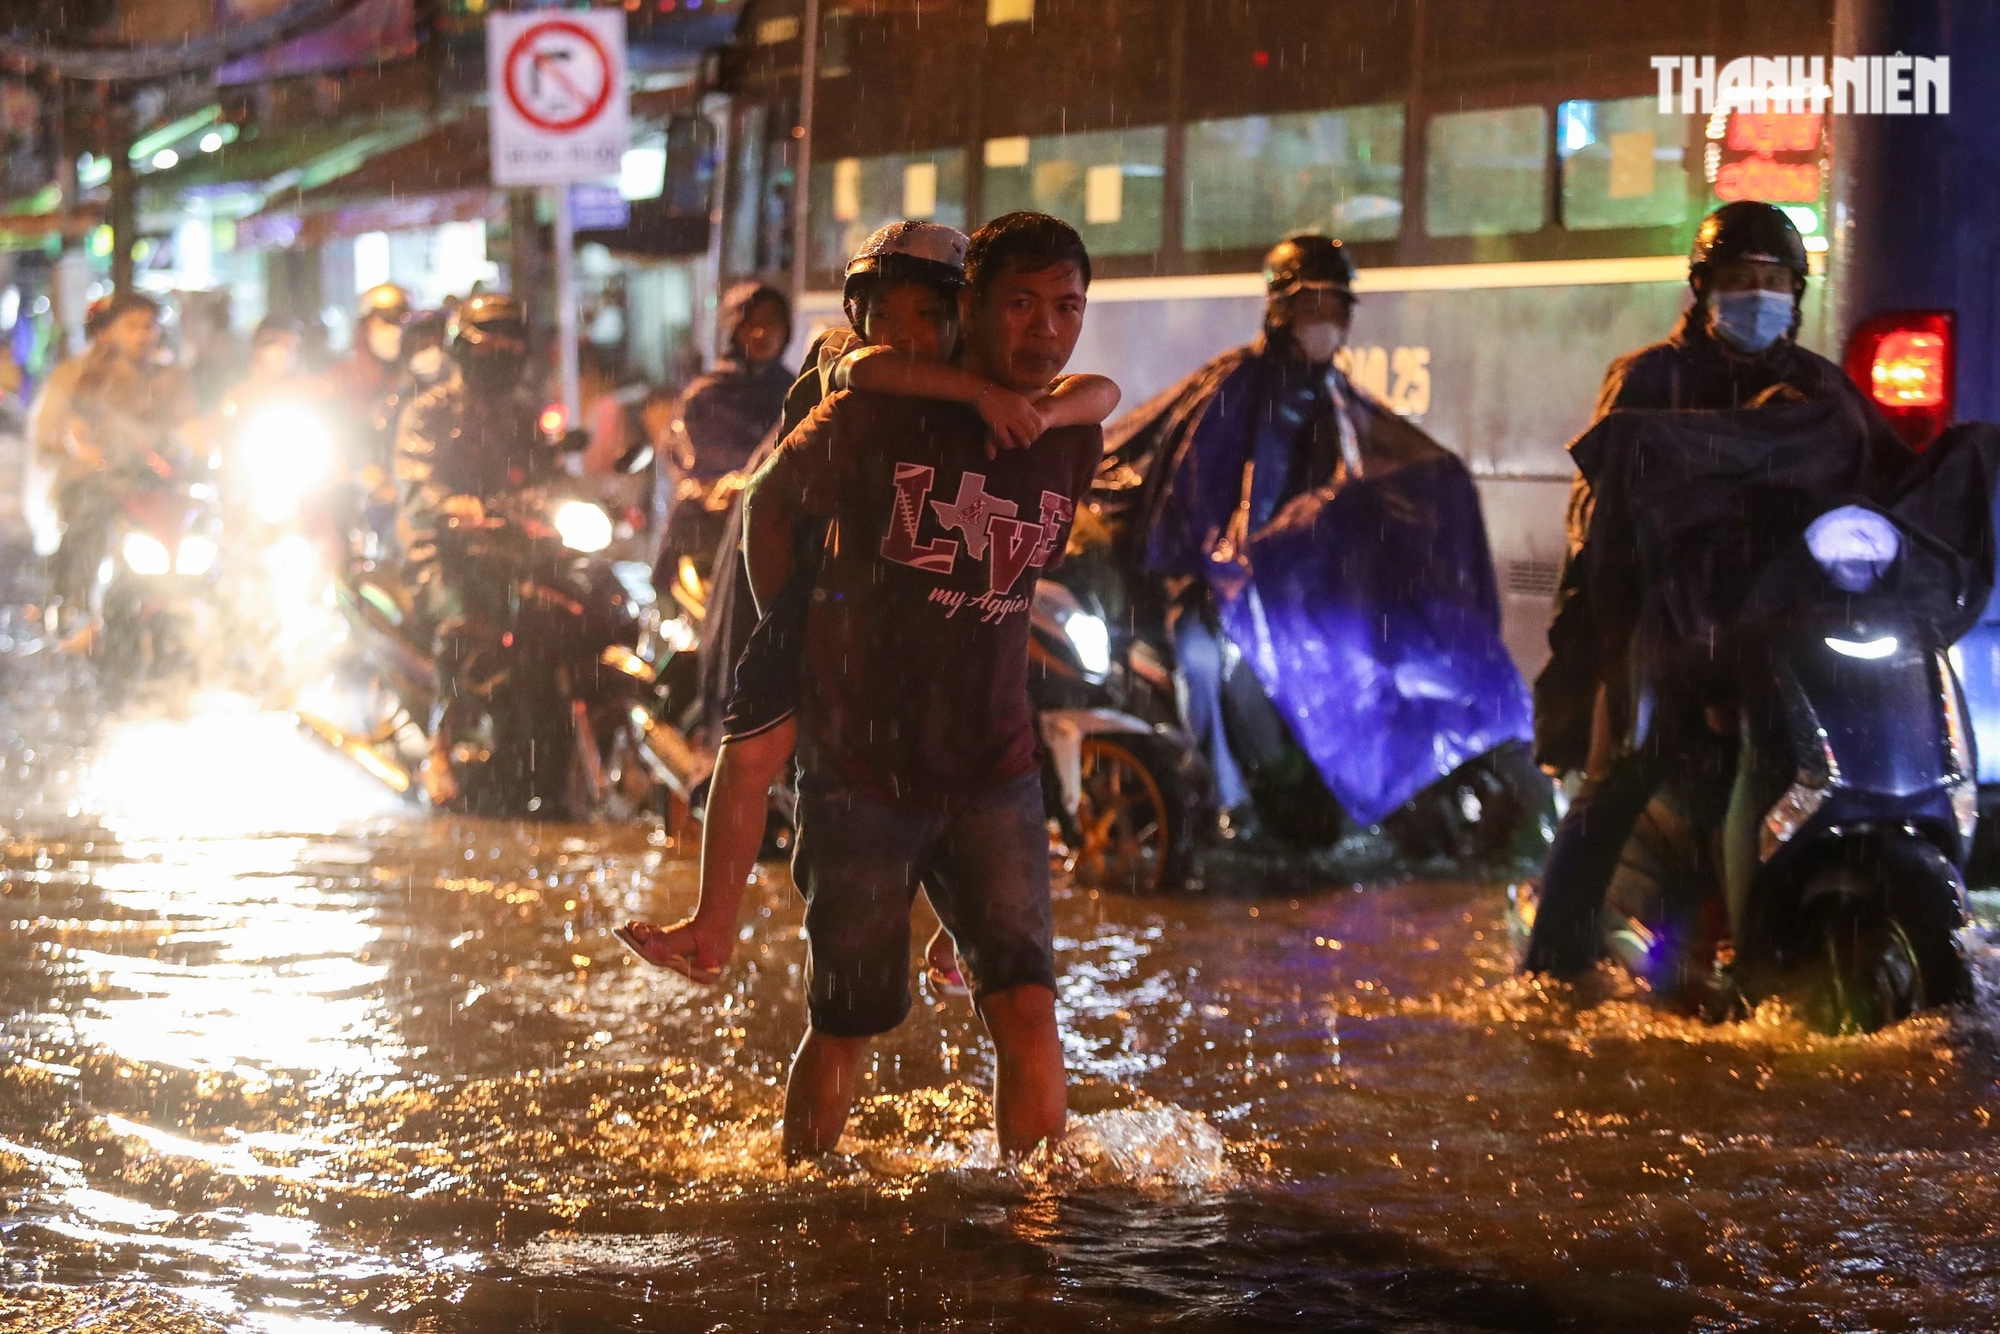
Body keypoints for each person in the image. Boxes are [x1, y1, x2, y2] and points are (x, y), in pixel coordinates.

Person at [614, 220, 1119, 993]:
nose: (907, 334)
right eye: (884, 314)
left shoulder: (985, 400)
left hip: (916, 621)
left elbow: (1099, 394)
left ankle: (963, 931)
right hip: (822, 591)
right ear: (857, 316)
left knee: (962, 762)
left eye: (929, 316)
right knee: (750, 756)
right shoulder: (855, 372)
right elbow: (793, 475)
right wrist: (790, 613)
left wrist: (1032, 410)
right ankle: (713, 924)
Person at [736, 212, 1103, 1162]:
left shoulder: (1069, 434)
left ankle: (1040, 1237)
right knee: (847, 1022)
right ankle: (807, 1211)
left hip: (996, 767)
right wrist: (796, 641)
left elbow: (1090, 405)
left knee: (1027, 1005)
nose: (1044, 331)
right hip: (862, 770)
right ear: (968, 308)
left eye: (1066, 309)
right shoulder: (876, 410)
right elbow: (768, 504)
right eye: (1019, 306)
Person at [1522, 201, 1891, 979]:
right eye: (1738, 280)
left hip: (1772, 628)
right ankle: (1552, 963)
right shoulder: (1648, 379)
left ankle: (1757, 958)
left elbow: (1880, 481)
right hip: (1662, 625)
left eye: (1771, 280)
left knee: (1778, 764)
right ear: (1704, 289)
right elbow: (1605, 509)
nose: (1756, 295)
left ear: (1796, 292)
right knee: (1623, 769)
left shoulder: (1819, 390)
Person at [392, 293, 543, 806]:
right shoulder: (428, 410)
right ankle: (440, 746)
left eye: (510, 340)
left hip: (514, 548)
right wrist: (451, 506)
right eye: (490, 341)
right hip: (443, 551)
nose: (500, 351)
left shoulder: (524, 415)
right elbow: (417, 483)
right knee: (467, 627)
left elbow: (551, 472)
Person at [31, 292, 196, 638]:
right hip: (101, 485)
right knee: (86, 524)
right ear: (109, 332)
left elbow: (192, 431)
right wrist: (79, 448)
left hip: (158, 489)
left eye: (148, 326)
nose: (141, 335)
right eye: (131, 326)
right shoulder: (84, 378)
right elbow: (55, 430)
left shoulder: (172, 377)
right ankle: (74, 608)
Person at [650, 283, 794, 592]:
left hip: (774, 528)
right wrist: (724, 488)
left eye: (771, 323)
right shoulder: (705, 395)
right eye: (750, 323)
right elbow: (689, 465)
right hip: (710, 532)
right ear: (733, 330)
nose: (761, 334)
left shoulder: (795, 392)